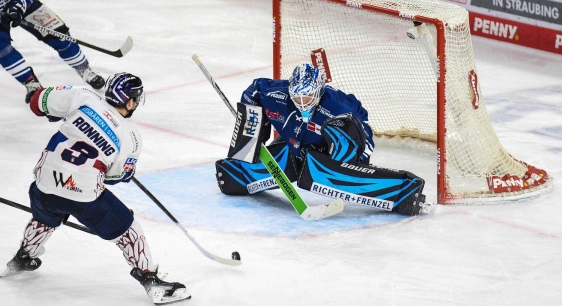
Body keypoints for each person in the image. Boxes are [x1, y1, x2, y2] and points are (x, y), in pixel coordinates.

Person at [2, 73, 191, 305]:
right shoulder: (131, 137)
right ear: (130, 101)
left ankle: (23, 257)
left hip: (43, 185)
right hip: (83, 195)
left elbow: (37, 102)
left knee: (45, 215)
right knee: (130, 231)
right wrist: (125, 172)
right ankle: (150, 280)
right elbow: (113, 177)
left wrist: (49, 108)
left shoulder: (84, 95)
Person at [216, 63, 428, 216]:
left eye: (307, 98)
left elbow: (362, 130)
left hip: (325, 153)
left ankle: (403, 190)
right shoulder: (278, 95)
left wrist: (357, 163)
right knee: (233, 177)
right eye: (297, 97)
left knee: (318, 172)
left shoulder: (337, 106)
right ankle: (242, 172)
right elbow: (254, 90)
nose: (301, 103)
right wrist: (253, 133)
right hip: (294, 148)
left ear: (318, 92)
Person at [0, 0, 105, 104]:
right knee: (2, 48)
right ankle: (30, 82)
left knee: (59, 35)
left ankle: (83, 68)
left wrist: (18, 4)